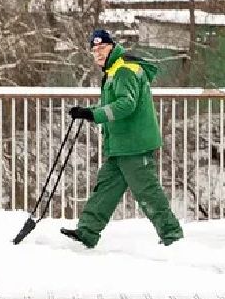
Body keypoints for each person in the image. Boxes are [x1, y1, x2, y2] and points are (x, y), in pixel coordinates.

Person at [60, 28, 184, 249]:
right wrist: (88, 112)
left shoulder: (125, 70)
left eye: (102, 48)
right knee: (105, 189)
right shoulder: (115, 70)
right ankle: (87, 232)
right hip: (121, 145)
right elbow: (114, 104)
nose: (98, 53)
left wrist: (94, 114)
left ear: (112, 47)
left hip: (134, 144)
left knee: (148, 192)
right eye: (94, 50)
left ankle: (172, 236)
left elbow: (126, 104)